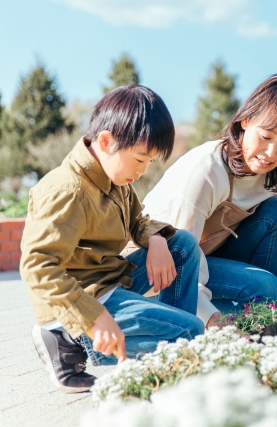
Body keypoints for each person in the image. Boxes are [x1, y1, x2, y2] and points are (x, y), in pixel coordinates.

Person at [20, 86, 204, 394]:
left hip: (108, 281)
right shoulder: (67, 190)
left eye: (149, 162)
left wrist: (157, 241)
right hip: (83, 299)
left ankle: (174, 349)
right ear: (106, 141)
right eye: (140, 159)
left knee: (181, 246)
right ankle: (72, 341)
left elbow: (137, 221)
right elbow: (37, 267)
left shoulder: (115, 177)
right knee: (190, 330)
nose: (143, 171)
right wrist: (93, 318)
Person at [140, 74, 277, 335]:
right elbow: (183, 253)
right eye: (266, 136)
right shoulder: (206, 171)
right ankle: (200, 327)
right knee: (266, 288)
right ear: (245, 120)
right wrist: (210, 317)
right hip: (161, 268)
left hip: (213, 259)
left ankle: (257, 337)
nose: (271, 153)